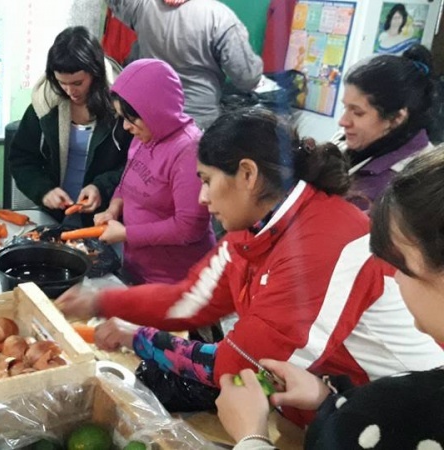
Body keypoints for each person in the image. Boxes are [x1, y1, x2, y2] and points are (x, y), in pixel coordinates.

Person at [55, 108, 444, 425]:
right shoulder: (252, 231)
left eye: (207, 181)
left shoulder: (325, 242)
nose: (203, 198)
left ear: (247, 174)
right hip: (318, 404)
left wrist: (136, 338)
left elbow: (234, 366)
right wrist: (100, 302)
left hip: (391, 418)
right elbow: (188, 301)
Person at [216, 148, 444, 450]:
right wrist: (330, 401)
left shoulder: (396, 412)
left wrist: (251, 436)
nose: (395, 277)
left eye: (402, 266)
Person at [93, 59, 215, 284]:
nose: (126, 127)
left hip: (175, 280)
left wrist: (127, 234)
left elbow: (189, 228)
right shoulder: (143, 136)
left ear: (155, 111)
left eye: (132, 119)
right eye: (122, 118)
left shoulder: (188, 150)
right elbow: (127, 182)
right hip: (136, 269)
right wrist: (113, 209)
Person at [9, 26, 131, 225]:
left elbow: (133, 165)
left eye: (77, 83)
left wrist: (101, 188)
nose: (69, 91)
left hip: (105, 217)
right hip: (55, 216)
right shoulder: (45, 103)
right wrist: (43, 190)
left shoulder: (121, 104)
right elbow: (21, 159)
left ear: (95, 73)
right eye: (61, 83)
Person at [106, 0, 263, 129]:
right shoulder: (220, 18)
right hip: (197, 123)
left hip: (151, 119)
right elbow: (247, 78)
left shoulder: (144, 6)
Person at [334, 44, 437, 209]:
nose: (343, 121)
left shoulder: (407, 185)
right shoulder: (356, 140)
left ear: (397, 117)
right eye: (346, 107)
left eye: (358, 112)